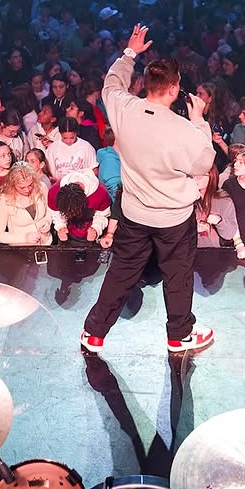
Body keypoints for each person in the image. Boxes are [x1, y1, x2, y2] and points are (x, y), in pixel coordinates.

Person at [81, 25, 216, 355]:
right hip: (173, 219)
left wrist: (130, 53)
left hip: (135, 213)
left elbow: (111, 84)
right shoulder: (184, 129)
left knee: (122, 271)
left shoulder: (124, 108)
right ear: (174, 88)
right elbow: (204, 162)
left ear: (146, 84)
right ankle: (179, 336)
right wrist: (199, 119)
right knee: (177, 275)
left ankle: (94, 334)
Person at [0, 162, 52, 246]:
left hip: (46, 244)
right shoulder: (5, 200)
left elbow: (49, 210)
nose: (27, 190)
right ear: (13, 184)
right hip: (20, 249)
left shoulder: (41, 187)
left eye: (30, 185)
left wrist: (47, 221)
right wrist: (24, 237)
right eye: (22, 187)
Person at [49, 170, 115, 245]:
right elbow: (55, 214)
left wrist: (96, 229)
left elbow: (102, 215)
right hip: (67, 238)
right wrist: (60, 226)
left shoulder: (101, 192)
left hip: (91, 239)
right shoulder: (54, 192)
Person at [45, 116, 99, 180]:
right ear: (60, 134)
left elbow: (94, 169)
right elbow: (47, 171)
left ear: (76, 133)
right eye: (65, 138)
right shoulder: (52, 148)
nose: (68, 141)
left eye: (72, 137)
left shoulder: (86, 147)